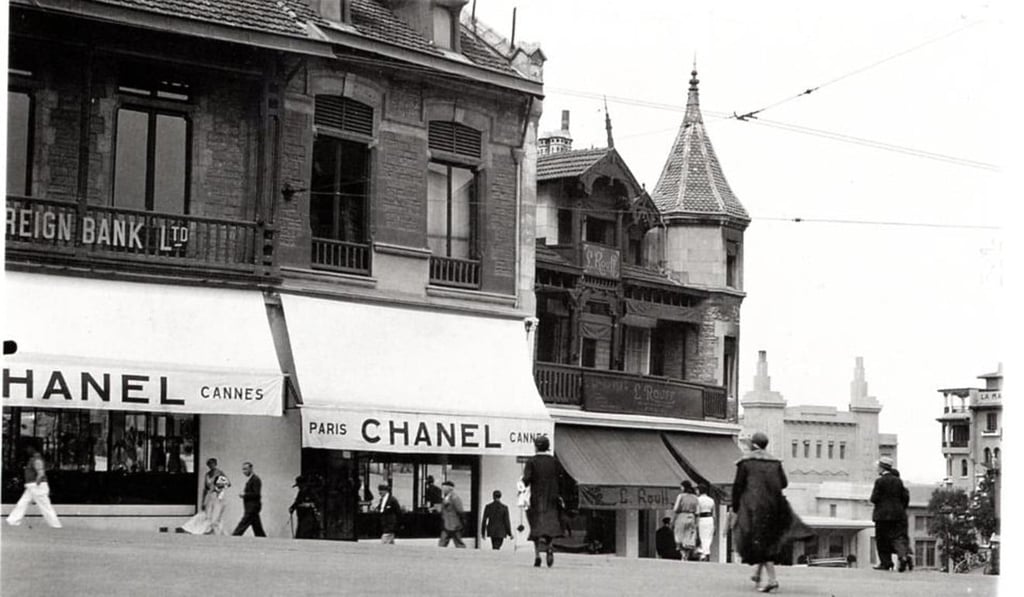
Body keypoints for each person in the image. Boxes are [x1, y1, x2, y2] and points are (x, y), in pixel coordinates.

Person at [732, 431, 812, 593]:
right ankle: (757, 573)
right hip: (774, 506)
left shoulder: (746, 462)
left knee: (760, 541)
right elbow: (783, 483)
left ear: (753, 444)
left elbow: (738, 486)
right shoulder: (775, 462)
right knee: (765, 539)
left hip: (753, 506)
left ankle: (772, 580)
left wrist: (735, 507)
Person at [522, 435, 563, 568]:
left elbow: (526, 479)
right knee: (550, 525)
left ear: (536, 447)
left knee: (536, 526)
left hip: (537, 498)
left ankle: (537, 555)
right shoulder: (554, 461)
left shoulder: (532, 461)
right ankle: (550, 547)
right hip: (552, 498)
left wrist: (522, 484)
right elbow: (561, 477)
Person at [6, 445, 62, 529]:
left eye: (28, 448)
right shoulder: (34, 459)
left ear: (33, 449)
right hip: (32, 486)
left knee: (45, 506)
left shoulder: (37, 460)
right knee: (23, 503)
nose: (27, 450)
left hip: (36, 486)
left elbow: (41, 473)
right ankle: (13, 520)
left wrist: (37, 484)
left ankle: (55, 524)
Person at [871, 456, 912, 571]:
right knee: (897, 538)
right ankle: (902, 556)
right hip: (897, 515)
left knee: (882, 539)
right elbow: (904, 498)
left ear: (882, 467)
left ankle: (886, 563)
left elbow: (874, 498)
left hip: (882, 516)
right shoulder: (898, 481)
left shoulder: (879, 481)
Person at [182, 457, 231, 534]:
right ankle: (205, 531)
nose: (211, 465)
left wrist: (218, 488)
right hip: (210, 496)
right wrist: (203, 501)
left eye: (212, 464)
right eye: (209, 464)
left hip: (218, 496)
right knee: (207, 515)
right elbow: (205, 489)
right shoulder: (207, 474)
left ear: (215, 464)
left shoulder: (219, 473)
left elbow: (228, 483)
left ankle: (218, 532)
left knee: (216, 516)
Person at [232, 461, 266, 537]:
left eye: (245, 469)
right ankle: (263, 540)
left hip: (252, 507)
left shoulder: (255, 479)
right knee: (257, 528)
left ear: (251, 469)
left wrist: (245, 495)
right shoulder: (252, 479)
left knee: (242, 525)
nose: (244, 471)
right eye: (243, 469)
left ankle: (233, 538)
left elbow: (257, 494)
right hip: (252, 507)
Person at [672, 480, 699, 561]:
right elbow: (697, 511)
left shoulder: (681, 496)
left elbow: (676, 508)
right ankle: (686, 554)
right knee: (689, 537)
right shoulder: (695, 497)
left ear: (684, 487)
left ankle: (682, 553)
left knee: (679, 535)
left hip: (682, 516)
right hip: (692, 517)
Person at [438, 480, 466, 548]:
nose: (443, 489)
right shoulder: (446, 498)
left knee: (458, 542)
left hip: (454, 524)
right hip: (447, 523)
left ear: (450, 488)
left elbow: (460, 510)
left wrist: (462, 521)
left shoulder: (455, 498)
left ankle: (463, 552)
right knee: (443, 542)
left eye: (444, 488)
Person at [696, 484, 716, 561]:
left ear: (699, 490)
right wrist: (715, 525)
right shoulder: (711, 500)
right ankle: (705, 552)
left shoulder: (698, 500)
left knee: (702, 536)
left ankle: (704, 553)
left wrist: (696, 523)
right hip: (710, 519)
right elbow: (714, 514)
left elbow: (697, 513)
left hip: (702, 519)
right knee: (708, 537)